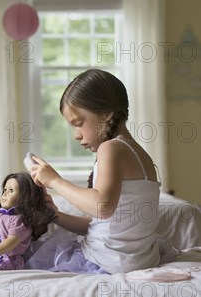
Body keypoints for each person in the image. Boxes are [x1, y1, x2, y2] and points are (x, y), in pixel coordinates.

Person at [26, 68, 178, 274]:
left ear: (107, 113)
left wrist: (54, 181)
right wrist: (55, 215)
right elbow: (103, 224)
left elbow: (103, 207)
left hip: (106, 260)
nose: (76, 135)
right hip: (136, 259)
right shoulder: (139, 155)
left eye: (78, 123)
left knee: (25, 254)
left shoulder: (111, 148)